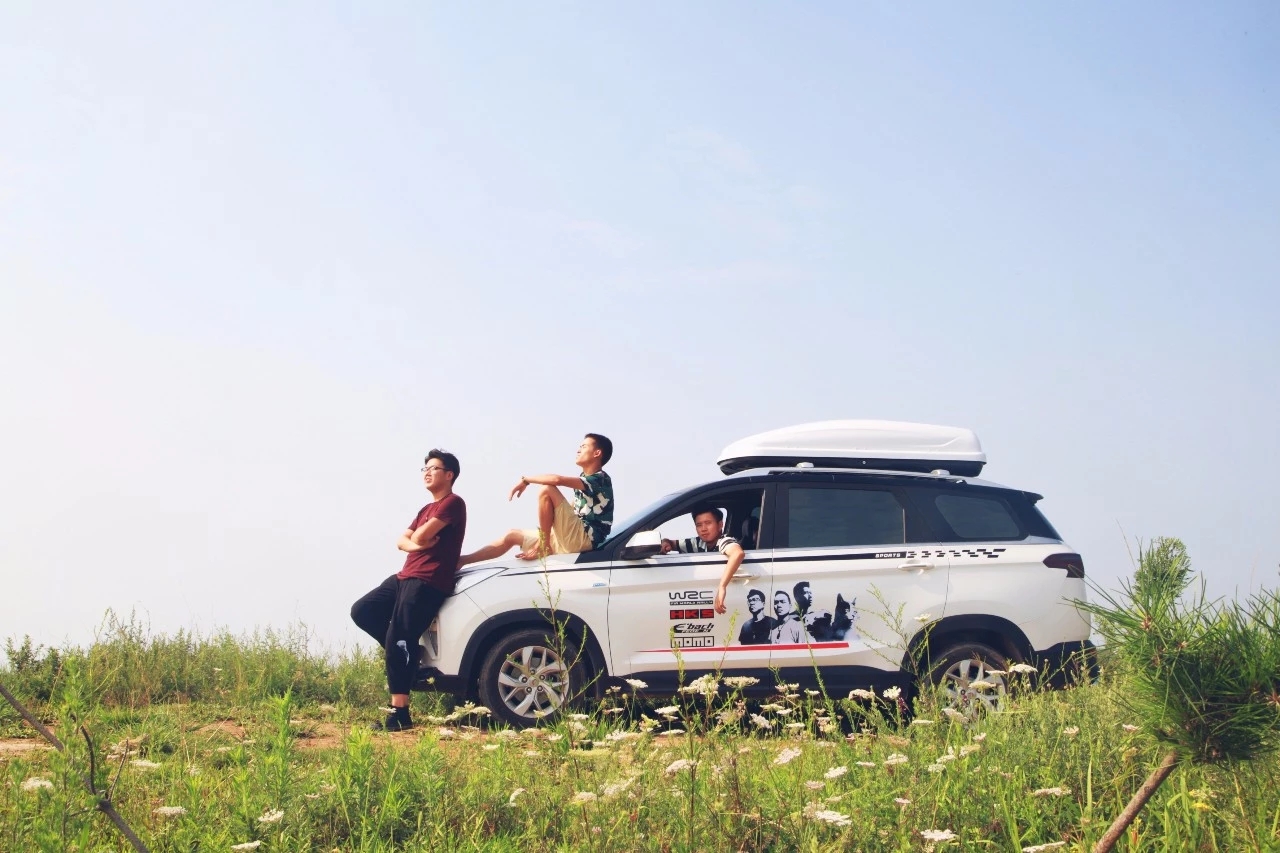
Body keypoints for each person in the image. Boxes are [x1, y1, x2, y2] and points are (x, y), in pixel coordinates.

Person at [350, 450, 466, 731]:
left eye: (434, 468)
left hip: (427, 581)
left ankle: (399, 714)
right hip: (405, 575)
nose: (427, 472)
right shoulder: (425, 510)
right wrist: (416, 545)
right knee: (363, 611)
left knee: (399, 636)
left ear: (448, 474)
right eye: (424, 468)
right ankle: (409, 656)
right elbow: (404, 541)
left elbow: (422, 534)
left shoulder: (453, 503)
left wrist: (417, 539)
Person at [460, 433, 614, 564]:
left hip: (584, 539)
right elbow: (571, 511)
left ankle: (544, 545)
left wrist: (526, 480)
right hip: (571, 538)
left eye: (584, 446)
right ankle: (462, 561)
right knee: (511, 535)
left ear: (597, 453)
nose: (578, 450)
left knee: (547, 489)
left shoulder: (600, 479)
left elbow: (556, 480)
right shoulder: (583, 479)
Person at [660, 505, 746, 614]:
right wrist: (665, 543)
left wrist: (722, 586)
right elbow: (672, 543)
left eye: (708, 523)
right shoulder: (698, 543)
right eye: (699, 525)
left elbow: (737, 553)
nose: (703, 529)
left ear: (720, 525)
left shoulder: (724, 540)